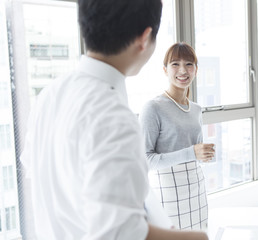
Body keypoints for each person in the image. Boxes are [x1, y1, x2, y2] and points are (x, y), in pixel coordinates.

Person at [20, 0, 208, 239]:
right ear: (145, 37)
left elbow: (38, 171)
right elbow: (121, 233)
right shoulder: (114, 116)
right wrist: (200, 238)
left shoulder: (49, 94)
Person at [139, 42, 215, 231]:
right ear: (165, 70)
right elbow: (145, 160)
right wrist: (192, 153)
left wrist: (203, 155)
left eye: (189, 64)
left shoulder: (196, 109)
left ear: (196, 70)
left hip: (196, 189)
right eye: (175, 64)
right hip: (168, 194)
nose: (183, 70)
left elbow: (195, 153)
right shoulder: (153, 107)